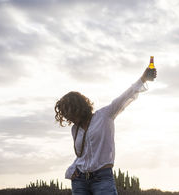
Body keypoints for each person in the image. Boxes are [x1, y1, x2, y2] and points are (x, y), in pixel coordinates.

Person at [55, 66, 157, 195]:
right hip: (79, 180)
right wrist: (71, 170)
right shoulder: (75, 129)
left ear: (78, 108)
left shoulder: (104, 116)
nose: (67, 117)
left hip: (102, 178)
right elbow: (82, 155)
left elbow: (125, 97)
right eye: (64, 114)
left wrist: (143, 79)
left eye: (68, 112)